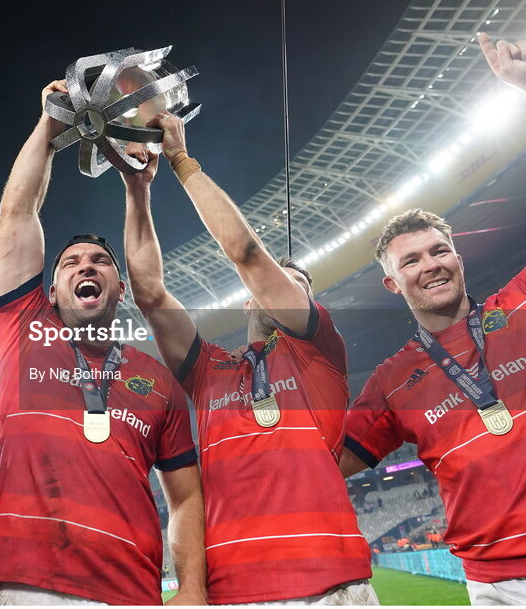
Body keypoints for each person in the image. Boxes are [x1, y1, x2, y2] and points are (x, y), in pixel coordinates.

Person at [341, 33, 526, 605]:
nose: (431, 265)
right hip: (505, 587)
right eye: (412, 260)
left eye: (439, 250)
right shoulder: (392, 381)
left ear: (459, 255)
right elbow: (324, 462)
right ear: (391, 283)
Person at [122, 117, 375, 605]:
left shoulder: (318, 352)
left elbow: (247, 253)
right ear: (247, 301)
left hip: (331, 585)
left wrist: (180, 159)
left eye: (299, 285)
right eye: (277, 283)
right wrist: (137, 190)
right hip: (235, 591)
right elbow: (150, 295)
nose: (284, 289)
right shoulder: (207, 371)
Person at [0, 80, 206, 605]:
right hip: (24, 584)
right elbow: (17, 215)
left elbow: (187, 494)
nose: (86, 266)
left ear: (119, 290)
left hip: (132, 590)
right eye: (70, 263)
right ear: (50, 292)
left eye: (101, 261)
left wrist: (192, 589)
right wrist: (50, 125)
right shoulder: (22, 332)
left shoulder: (159, 384)